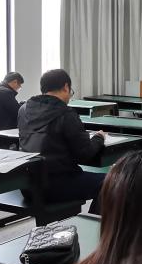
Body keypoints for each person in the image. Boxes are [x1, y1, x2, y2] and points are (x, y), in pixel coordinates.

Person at [19, 69, 105, 210]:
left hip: (28, 185)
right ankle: (95, 221)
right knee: (113, 182)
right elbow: (85, 154)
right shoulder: (66, 113)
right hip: (58, 184)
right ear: (66, 87)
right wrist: (98, 138)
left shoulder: (23, 109)